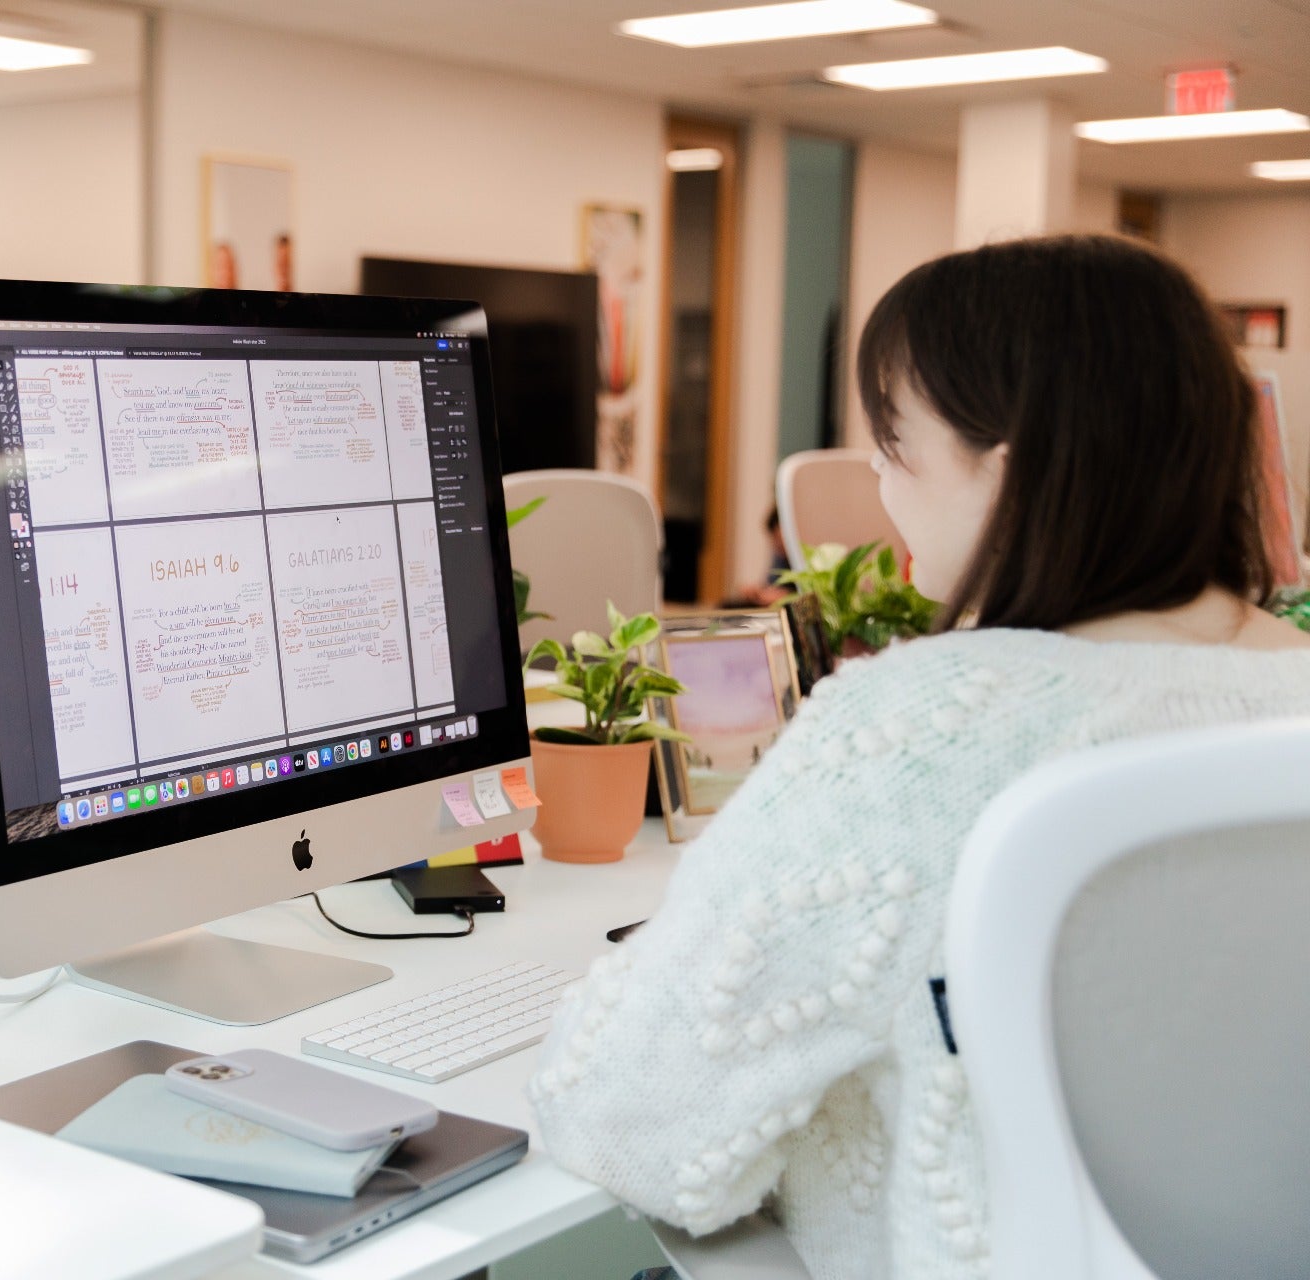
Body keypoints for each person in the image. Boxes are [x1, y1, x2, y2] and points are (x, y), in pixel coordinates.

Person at [528, 234, 1310, 1280]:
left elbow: (626, 1121)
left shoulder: (926, 731)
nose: (885, 493)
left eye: (894, 448)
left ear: (1009, 464)